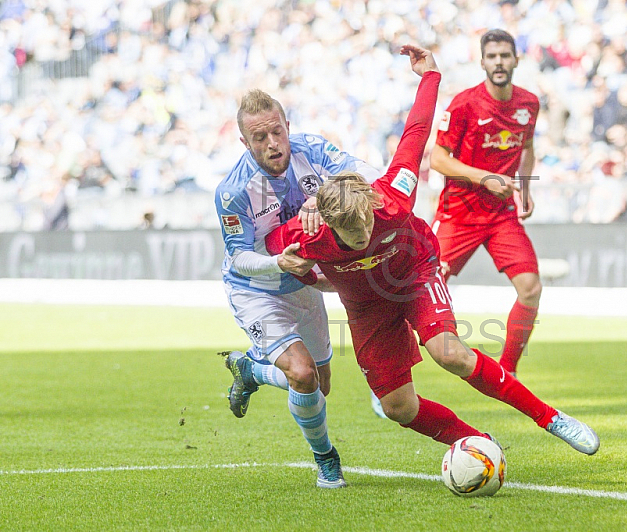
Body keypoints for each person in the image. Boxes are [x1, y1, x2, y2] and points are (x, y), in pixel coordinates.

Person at [264, 44, 599, 456]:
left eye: (367, 226)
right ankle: (476, 443)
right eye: (352, 237)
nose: (363, 236)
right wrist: (298, 269)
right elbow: (270, 252)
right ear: (330, 225)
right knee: (398, 408)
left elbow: (417, 131)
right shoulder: (307, 233)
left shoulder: (392, 195)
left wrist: (430, 76)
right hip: (367, 306)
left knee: (450, 353)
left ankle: (551, 418)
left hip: (416, 273)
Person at [214, 80, 380, 488]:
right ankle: (326, 458)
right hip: (257, 290)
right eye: (260, 138)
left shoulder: (313, 150)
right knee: (302, 375)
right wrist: (276, 262)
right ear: (244, 141)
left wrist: (324, 195)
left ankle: (251, 371)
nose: (273, 144)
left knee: (321, 387)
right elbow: (239, 257)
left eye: (278, 132)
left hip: (303, 287)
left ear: (288, 126)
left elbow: (371, 175)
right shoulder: (233, 191)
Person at [429, 29, 540, 376]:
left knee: (531, 288)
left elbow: (527, 149)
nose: (499, 62)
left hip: (501, 218)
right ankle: (391, 376)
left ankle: (507, 372)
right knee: (418, 293)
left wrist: (525, 187)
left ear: (516, 60)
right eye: (492, 56)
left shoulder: (528, 104)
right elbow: (437, 159)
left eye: (505, 55)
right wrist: (486, 178)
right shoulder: (464, 104)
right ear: (482, 62)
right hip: (458, 215)